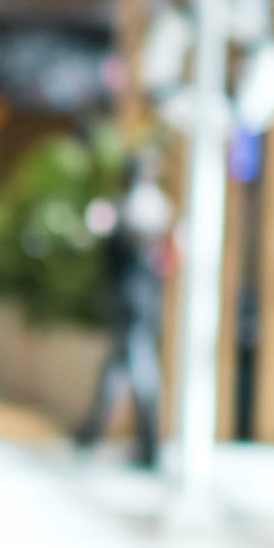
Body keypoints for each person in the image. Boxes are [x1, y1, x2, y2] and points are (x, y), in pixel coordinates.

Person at [73, 148, 166, 470]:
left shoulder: (144, 207)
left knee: (137, 368)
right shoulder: (127, 206)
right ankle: (94, 433)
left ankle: (148, 445)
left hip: (136, 299)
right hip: (132, 298)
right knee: (119, 367)